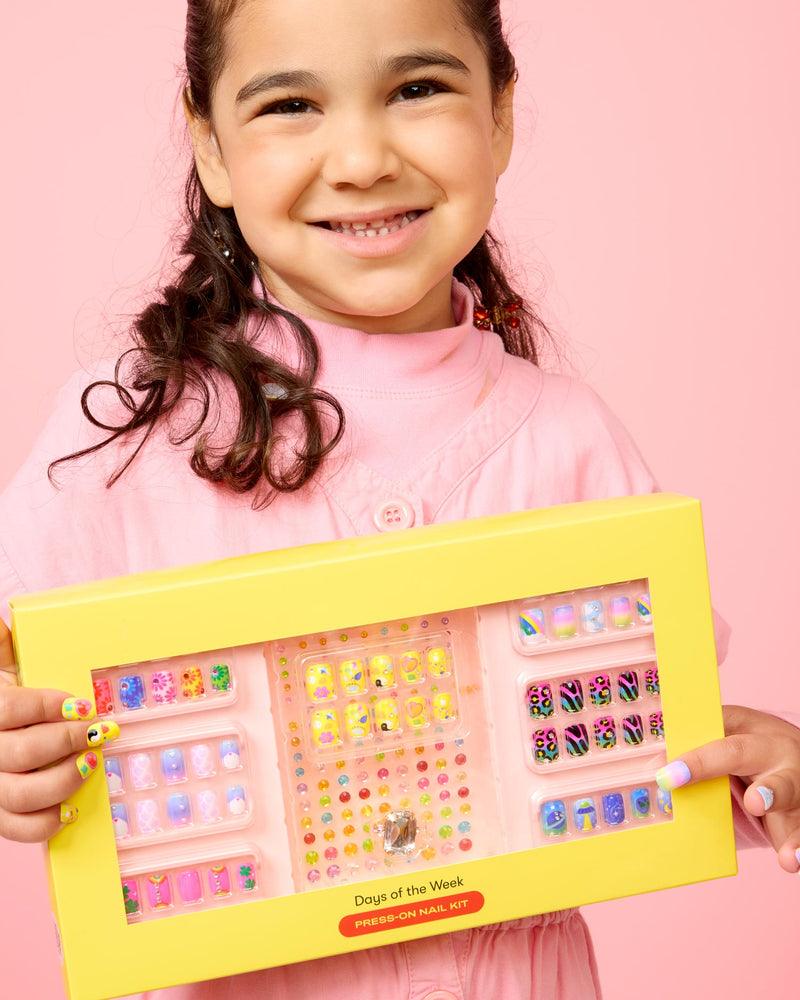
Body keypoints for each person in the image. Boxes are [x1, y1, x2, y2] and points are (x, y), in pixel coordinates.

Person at [1, 2, 798, 998]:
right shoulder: (126, 435)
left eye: (416, 89)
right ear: (208, 146)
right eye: (290, 103)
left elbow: (630, 736)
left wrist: (754, 768)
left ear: (500, 115)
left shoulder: (565, 433)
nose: (363, 156)